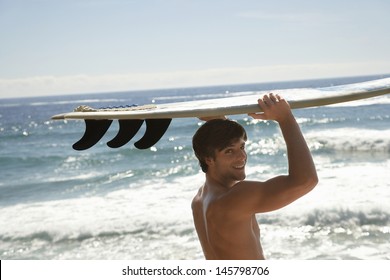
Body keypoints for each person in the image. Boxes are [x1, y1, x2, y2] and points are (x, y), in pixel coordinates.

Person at [191, 93, 318, 260]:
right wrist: (285, 118)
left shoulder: (200, 200)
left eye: (242, 147)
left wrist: (220, 121)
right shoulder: (235, 198)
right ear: (209, 159)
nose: (242, 157)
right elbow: (306, 180)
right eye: (229, 151)